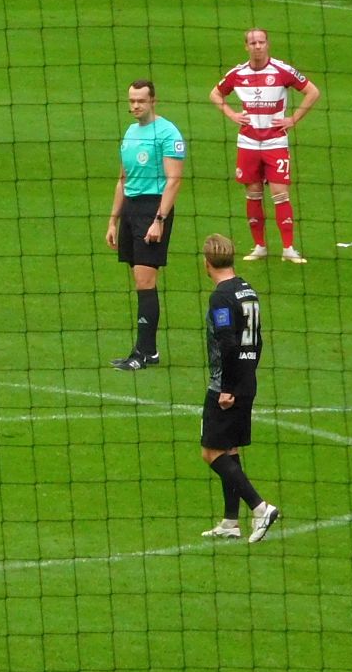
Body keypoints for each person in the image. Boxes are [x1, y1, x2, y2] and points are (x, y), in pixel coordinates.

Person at [198, 233, 281, 543]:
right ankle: (230, 522)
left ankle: (261, 507)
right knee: (229, 450)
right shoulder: (248, 289)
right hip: (247, 378)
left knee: (210, 452)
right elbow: (256, 339)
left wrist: (227, 387)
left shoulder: (221, 296)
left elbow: (227, 341)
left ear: (207, 263)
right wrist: (246, 375)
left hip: (227, 384)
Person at [210, 29, 319, 263]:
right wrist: (231, 114)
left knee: (280, 193)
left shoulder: (282, 71)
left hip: (275, 142)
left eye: (261, 42)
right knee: (253, 194)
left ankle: (288, 248)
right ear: (246, 47)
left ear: (267, 44)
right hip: (248, 143)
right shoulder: (237, 74)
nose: (257, 46)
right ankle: (259, 246)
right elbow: (215, 94)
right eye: (252, 43)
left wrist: (293, 119)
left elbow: (312, 91)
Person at [104, 80, 185, 370]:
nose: (135, 105)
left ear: (153, 100)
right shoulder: (130, 132)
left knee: (145, 282)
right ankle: (145, 350)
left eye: (140, 100)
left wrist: (159, 220)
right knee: (139, 281)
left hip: (154, 208)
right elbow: (123, 179)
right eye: (132, 100)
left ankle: (145, 353)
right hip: (131, 209)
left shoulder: (167, 132)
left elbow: (174, 180)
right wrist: (113, 220)